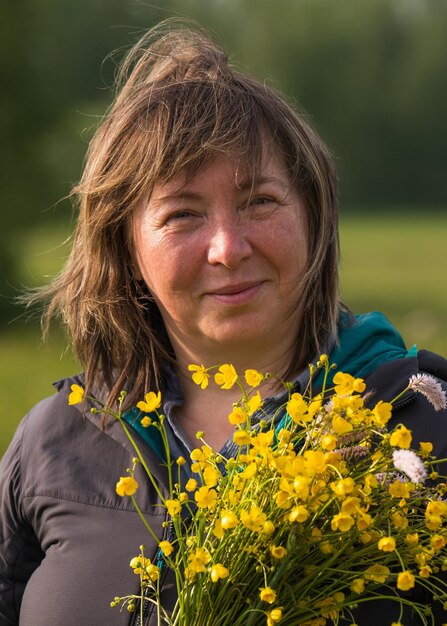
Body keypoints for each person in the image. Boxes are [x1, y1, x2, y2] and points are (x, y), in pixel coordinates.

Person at [1, 22, 446, 626]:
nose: (228, 248)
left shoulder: (421, 422)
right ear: (125, 249)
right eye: (183, 214)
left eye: (260, 201)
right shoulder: (53, 442)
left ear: (313, 218)